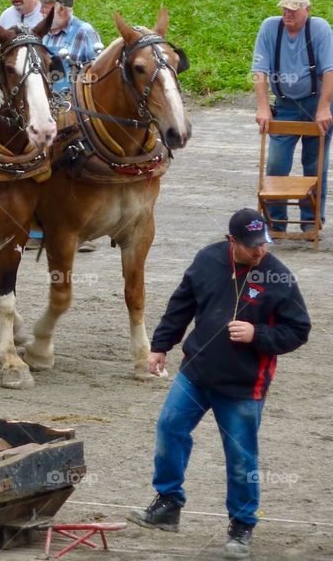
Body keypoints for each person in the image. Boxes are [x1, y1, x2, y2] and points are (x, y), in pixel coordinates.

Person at [128, 208, 310, 560]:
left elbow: (299, 330)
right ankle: (168, 503)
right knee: (169, 427)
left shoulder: (279, 277)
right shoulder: (208, 259)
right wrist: (160, 346)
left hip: (244, 384)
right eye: (253, 246)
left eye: (265, 244)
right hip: (195, 373)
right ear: (233, 242)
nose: (261, 252)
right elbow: (182, 304)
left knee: (241, 458)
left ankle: (242, 525)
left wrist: (258, 334)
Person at [252, 0, 333, 232]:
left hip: (315, 101)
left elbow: (329, 71)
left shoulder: (319, 29)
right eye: (285, 9)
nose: (288, 14)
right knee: (276, 163)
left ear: (307, 10)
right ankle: (275, 221)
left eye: (294, 10)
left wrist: (324, 108)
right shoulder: (269, 27)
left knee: (314, 163)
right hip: (285, 104)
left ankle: (311, 220)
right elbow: (259, 71)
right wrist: (264, 107)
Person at [35, 0, 102, 78]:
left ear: (61, 10)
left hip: (73, 92)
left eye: (45, 7)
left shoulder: (84, 31)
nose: (41, 11)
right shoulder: (41, 33)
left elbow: (99, 71)